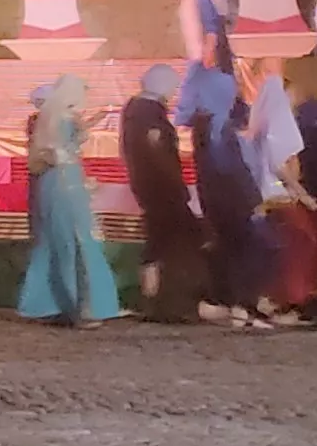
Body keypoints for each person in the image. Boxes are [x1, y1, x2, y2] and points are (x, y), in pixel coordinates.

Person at [18, 74, 123, 327]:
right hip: (66, 183)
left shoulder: (48, 119)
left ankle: (48, 304)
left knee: (54, 242)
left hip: (52, 184)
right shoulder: (65, 119)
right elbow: (62, 153)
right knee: (76, 240)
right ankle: (85, 307)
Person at [121, 62, 206, 323]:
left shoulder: (135, 113)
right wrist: (178, 187)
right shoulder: (150, 116)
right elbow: (160, 156)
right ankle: (168, 300)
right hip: (162, 190)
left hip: (151, 187)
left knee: (159, 242)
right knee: (170, 241)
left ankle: (155, 298)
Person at [188, 72, 271, 329]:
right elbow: (232, 168)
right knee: (249, 249)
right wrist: (254, 198)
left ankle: (232, 303)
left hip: (214, 198)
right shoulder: (220, 128)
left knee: (230, 249)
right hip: (234, 198)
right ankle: (243, 306)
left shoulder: (202, 124)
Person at [240, 61, 317, 319]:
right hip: (285, 197)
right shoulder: (282, 124)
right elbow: (281, 163)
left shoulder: (259, 128)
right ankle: (294, 302)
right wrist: (301, 193)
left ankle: (279, 300)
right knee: (300, 250)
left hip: (269, 196)